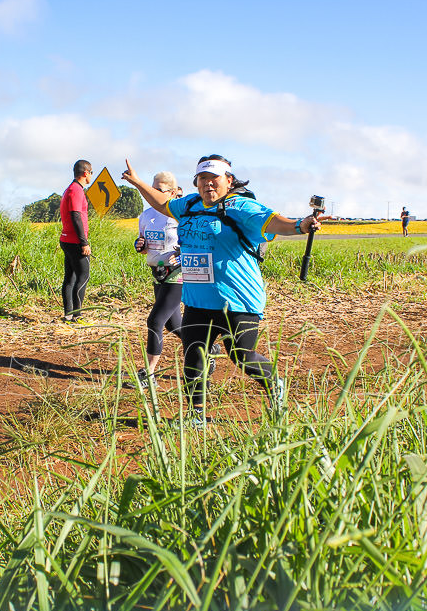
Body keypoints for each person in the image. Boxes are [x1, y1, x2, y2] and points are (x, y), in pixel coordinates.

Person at [121, 154, 327, 425]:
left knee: (242, 356)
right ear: (196, 183)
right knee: (193, 352)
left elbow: (275, 222)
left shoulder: (241, 207)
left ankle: (275, 383)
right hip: (198, 300)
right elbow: (163, 204)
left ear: (228, 181)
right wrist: (137, 183)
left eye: (214, 179)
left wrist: (300, 225)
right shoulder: (189, 205)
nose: (208, 184)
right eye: (202, 179)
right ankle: (195, 415)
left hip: (238, 299)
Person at [130, 171, 220, 389]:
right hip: (157, 273)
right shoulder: (146, 215)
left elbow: (192, 241)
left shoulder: (179, 214)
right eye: (151, 187)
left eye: (157, 189)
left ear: (171, 193)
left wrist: (181, 253)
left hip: (177, 274)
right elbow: (144, 244)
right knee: (174, 325)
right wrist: (140, 245)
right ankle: (207, 351)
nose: (151, 192)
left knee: (154, 321)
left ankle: (148, 374)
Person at [59, 159, 92, 323]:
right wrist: (83, 242)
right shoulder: (76, 190)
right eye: (91, 173)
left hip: (67, 239)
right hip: (74, 241)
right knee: (83, 276)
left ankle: (69, 314)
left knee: (70, 278)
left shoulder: (69, 189)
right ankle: (77, 315)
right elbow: (76, 216)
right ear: (86, 173)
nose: (91, 176)